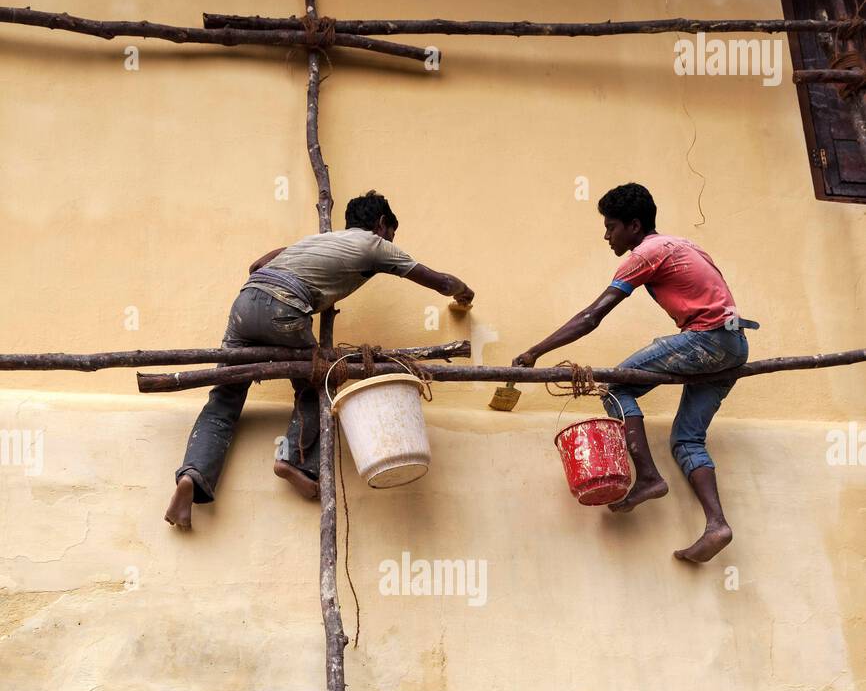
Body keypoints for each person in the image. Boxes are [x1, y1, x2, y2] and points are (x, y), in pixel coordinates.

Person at [165, 190, 474, 528]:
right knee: (317, 382)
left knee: (223, 399)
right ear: (382, 224)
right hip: (284, 309)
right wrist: (464, 292)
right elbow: (440, 281)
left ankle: (191, 477)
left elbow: (255, 266)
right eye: (391, 233)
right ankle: (293, 463)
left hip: (244, 306)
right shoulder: (375, 245)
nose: (390, 240)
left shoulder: (317, 240)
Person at [513, 183, 758, 563]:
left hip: (705, 341)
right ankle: (717, 525)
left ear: (634, 225)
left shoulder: (646, 252)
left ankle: (647, 476)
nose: (606, 234)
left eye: (611, 226)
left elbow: (592, 316)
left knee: (613, 387)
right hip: (734, 346)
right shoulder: (684, 245)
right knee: (687, 441)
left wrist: (535, 351)